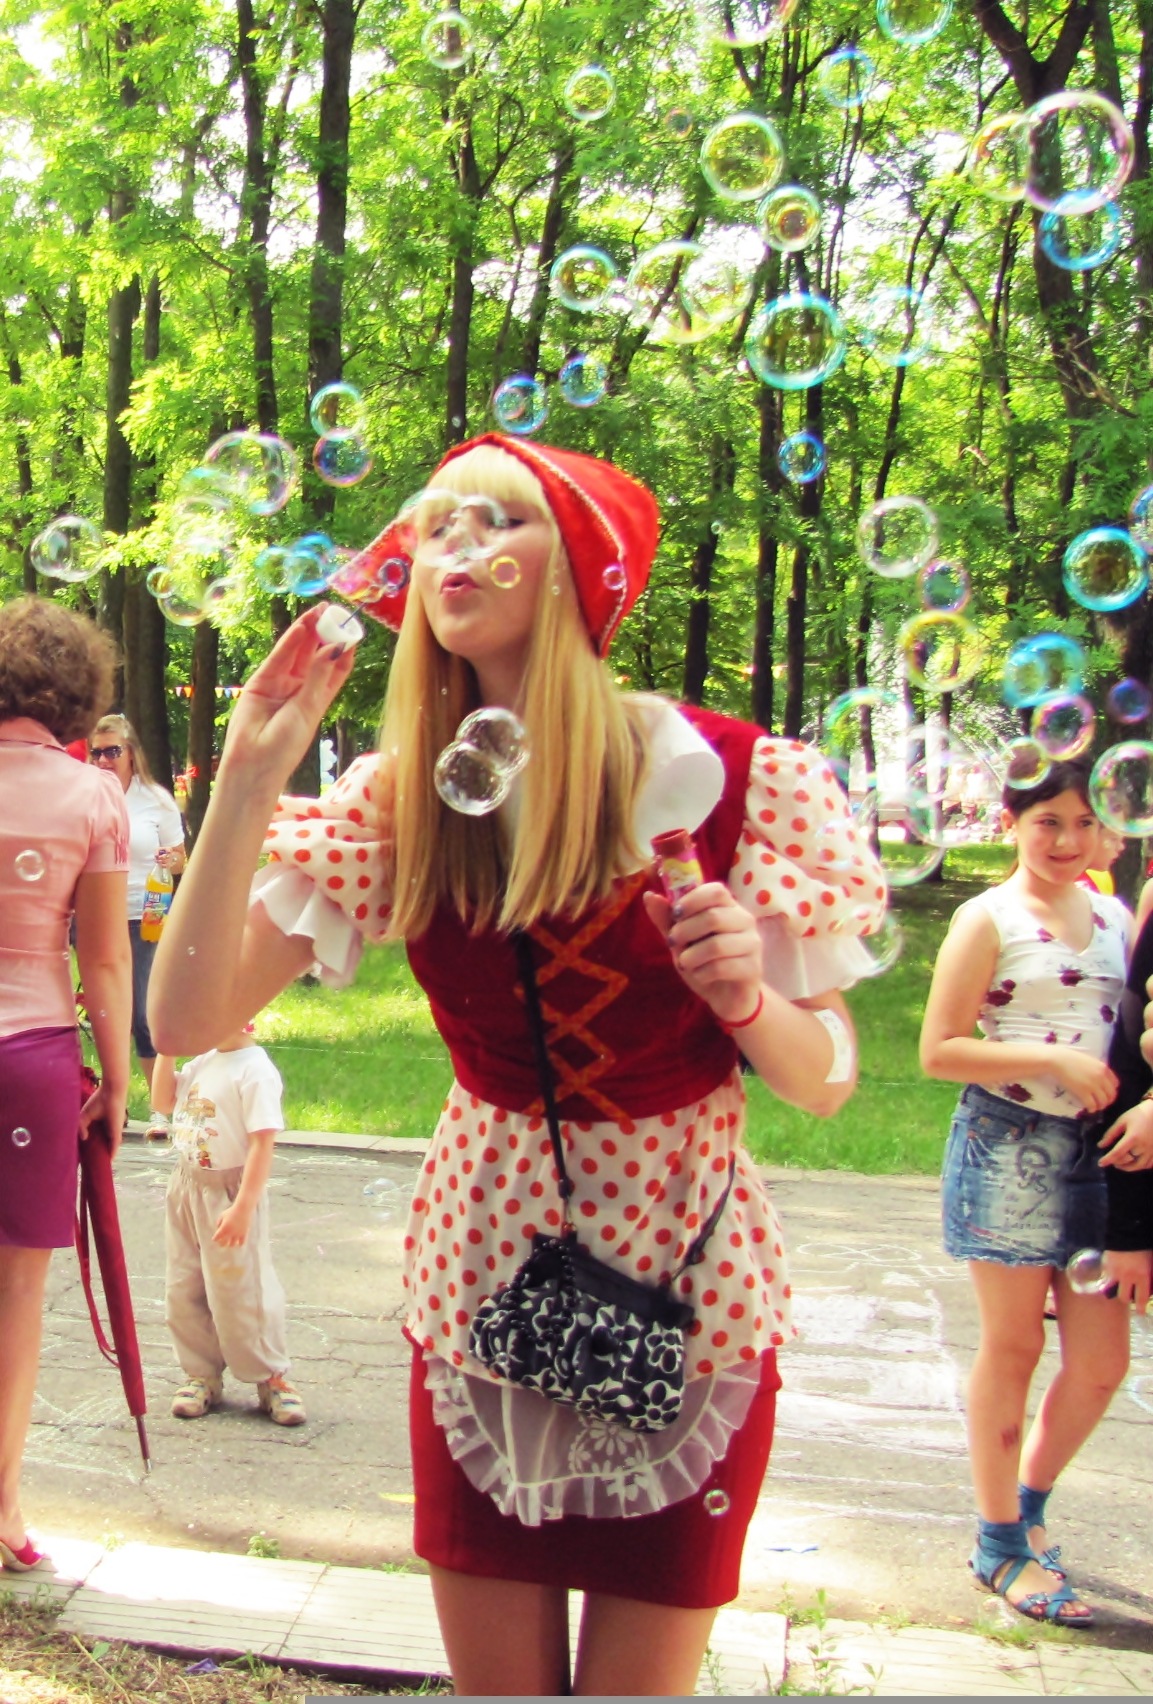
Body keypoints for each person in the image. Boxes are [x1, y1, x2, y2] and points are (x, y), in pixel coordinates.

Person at [150, 433, 887, 1697]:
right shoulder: (402, 801)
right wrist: (250, 774)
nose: (459, 546)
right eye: (437, 525)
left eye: (500, 521)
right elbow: (183, 1018)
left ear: (585, 570)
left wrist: (749, 1001)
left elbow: (824, 1078)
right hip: (481, 1286)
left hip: (690, 1294)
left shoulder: (731, 779)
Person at [919, 759, 1132, 1627]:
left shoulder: (1116, 918)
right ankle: (998, 1540)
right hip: (1005, 1145)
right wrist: (1050, 1059)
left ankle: (1029, 1505)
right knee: (1012, 1347)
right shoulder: (987, 917)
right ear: (1010, 823)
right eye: (1046, 821)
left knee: (1101, 1363)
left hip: (1099, 1156)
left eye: (1083, 822)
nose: (1066, 840)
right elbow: (938, 1050)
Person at [0, 597, 132, 1572]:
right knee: (17, 1288)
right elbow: (108, 959)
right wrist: (119, 1080)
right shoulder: (95, 797)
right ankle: (1, 1504)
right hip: (34, 1058)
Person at [151, 1025, 305, 1427]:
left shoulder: (255, 1069)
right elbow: (161, 1101)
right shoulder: (203, 1060)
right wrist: (168, 1049)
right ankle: (202, 1375)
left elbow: (262, 1144)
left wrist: (243, 1207)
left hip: (231, 1192)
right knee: (184, 1285)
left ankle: (272, 1377)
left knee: (242, 1289)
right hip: (187, 1186)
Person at [87, 714, 186, 1125]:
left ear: (131, 753)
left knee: (145, 1014)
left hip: (148, 912)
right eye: (96, 753)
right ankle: (113, 1102)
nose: (104, 760)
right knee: (107, 1012)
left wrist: (169, 858)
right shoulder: (86, 795)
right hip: (98, 916)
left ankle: (161, 1108)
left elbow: (180, 860)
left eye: (113, 751)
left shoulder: (156, 799)